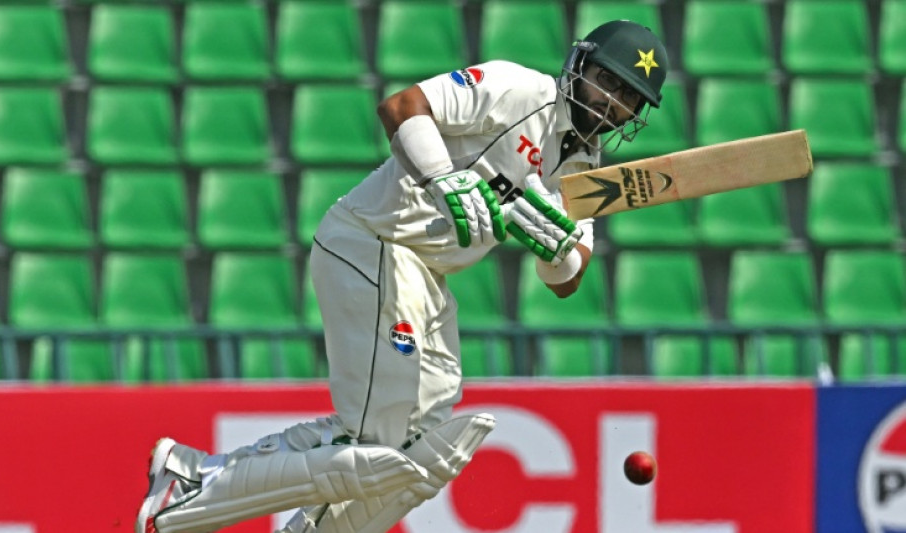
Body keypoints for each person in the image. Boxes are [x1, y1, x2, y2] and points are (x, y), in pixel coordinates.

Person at [136, 19, 668, 533]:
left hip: (426, 279)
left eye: (628, 98)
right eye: (607, 83)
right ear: (579, 66)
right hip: (371, 240)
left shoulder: (588, 173)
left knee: (419, 447)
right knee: (381, 439)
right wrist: (445, 178)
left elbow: (567, 281)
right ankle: (193, 480)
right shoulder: (519, 90)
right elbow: (402, 107)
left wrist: (554, 249)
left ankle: (269, 509)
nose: (612, 103)